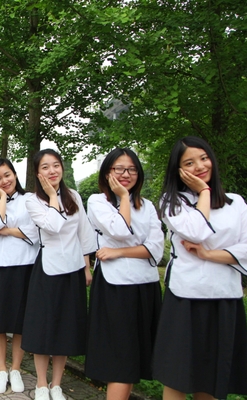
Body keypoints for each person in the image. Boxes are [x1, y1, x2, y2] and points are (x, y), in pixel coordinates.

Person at [153, 136, 247, 400]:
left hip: (225, 297)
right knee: (176, 376)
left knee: (211, 378)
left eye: (203, 158)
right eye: (189, 163)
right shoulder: (171, 202)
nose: (199, 166)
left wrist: (208, 254)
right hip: (185, 297)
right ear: (178, 170)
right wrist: (204, 192)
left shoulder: (236, 202)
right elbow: (197, 231)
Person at [84, 148, 164, 400]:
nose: (126, 174)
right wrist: (124, 197)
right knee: (119, 359)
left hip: (147, 286)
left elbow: (156, 249)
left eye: (132, 169)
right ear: (107, 172)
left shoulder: (148, 206)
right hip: (114, 287)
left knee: (136, 358)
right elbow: (120, 229)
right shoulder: (97, 202)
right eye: (119, 168)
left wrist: (119, 252)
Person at [23, 149, 96, 400]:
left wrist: (86, 267)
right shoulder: (32, 200)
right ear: (37, 173)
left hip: (73, 270)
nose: (52, 171)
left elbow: (84, 233)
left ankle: (57, 384)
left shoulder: (73, 195)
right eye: (45, 167)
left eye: (56, 165)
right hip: (48, 270)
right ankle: (41, 384)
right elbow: (52, 226)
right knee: (43, 328)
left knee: (65, 329)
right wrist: (53, 195)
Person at [0, 159, 39, 394]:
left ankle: (16, 369)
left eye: (7, 175)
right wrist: (3, 198)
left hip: (25, 266)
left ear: (15, 174)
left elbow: (35, 232)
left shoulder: (31, 199)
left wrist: (5, 231)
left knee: (20, 322)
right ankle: (2, 369)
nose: (4, 181)